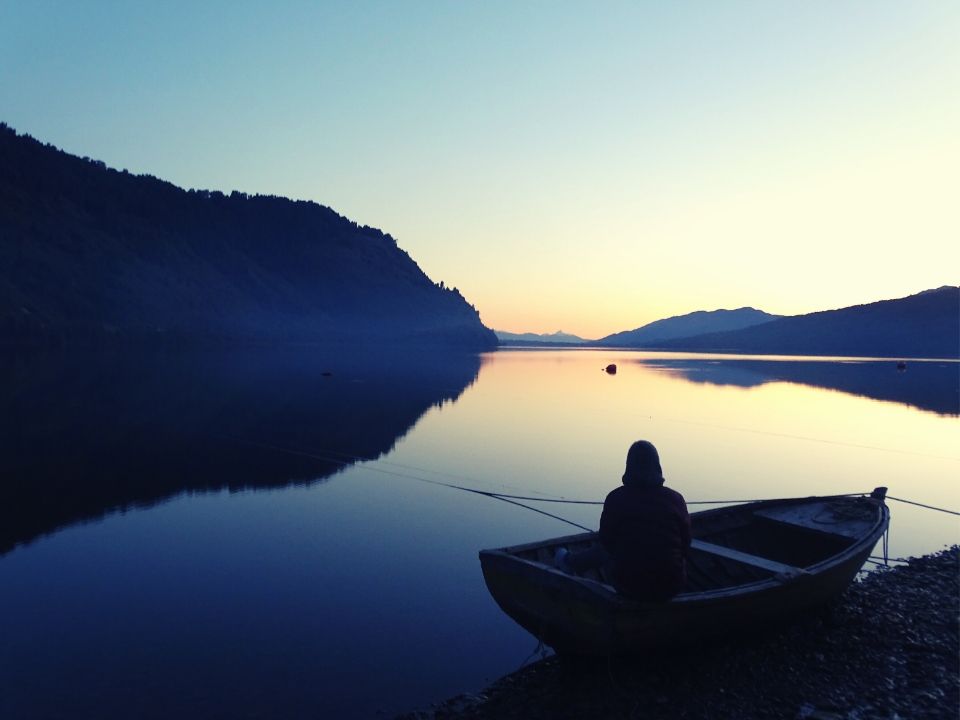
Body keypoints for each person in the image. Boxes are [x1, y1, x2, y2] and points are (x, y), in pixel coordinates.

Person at [556, 440, 691, 602]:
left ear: (628, 467)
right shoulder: (676, 499)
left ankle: (570, 563)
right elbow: (686, 544)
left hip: (628, 587)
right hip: (672, 587)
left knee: (604, 551)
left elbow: (606, 543)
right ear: (658, 467)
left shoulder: (615, 499)